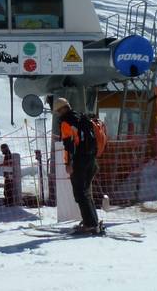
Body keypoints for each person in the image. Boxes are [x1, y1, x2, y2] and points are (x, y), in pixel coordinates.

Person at [54, 97, 101, 234]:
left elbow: (69, 145)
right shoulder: (82, 117)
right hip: (91, 159)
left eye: (58, 111)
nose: (58, 113)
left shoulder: (66, 122)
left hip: (79, 162)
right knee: (86, 193)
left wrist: (68, 163)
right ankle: (93, 221)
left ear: (62, 109)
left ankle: (90, 225)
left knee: (80, 194)